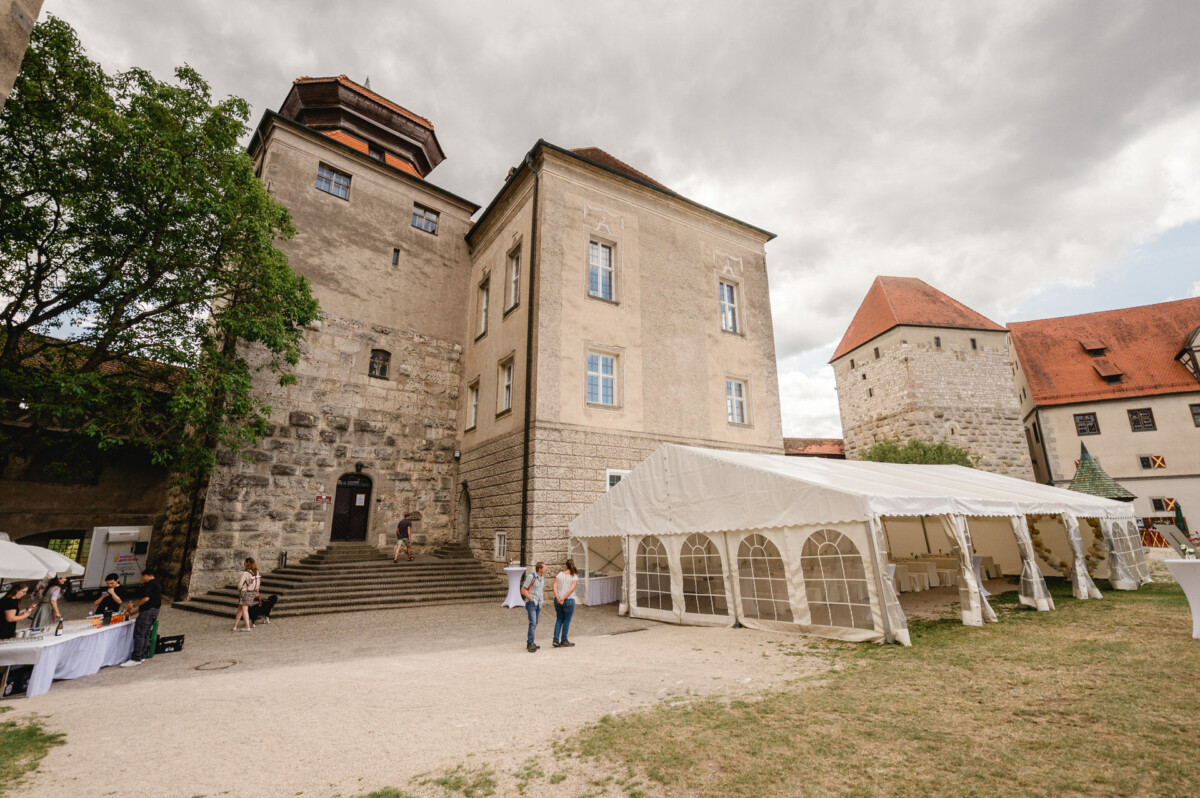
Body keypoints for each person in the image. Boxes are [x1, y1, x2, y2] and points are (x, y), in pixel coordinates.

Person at [120, 566, 162, 667]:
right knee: (145, 633)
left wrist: (133, 605)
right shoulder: (158, 584)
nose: (142, 579)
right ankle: (142, 655)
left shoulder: (150, 584)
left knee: (139, 634)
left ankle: (136, 657)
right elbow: (145, 605)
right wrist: (131, 613)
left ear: (146, 576)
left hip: (147, 612)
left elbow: (145, 600)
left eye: (142, 577)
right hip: (154, 611)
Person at [552, 559, 579, 648]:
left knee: (559, 619)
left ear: (566, 566)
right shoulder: (574, 576)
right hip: (568, 600)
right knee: (567, 620)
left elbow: (555, 586)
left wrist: (558, 597)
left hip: (558, 600)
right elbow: (571, 589)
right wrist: (564, 598)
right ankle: (564, 640)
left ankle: (555, 639)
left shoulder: (560, 575)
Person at [520, 561, 546, 653]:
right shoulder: (531, 577)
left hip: (539, 603)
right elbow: (523, 589)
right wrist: (530, 598)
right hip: (531, 603)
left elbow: (542, 589)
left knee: (535, 622)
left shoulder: (542, 577)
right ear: (540, 569)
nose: (546, 569)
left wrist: (542, 599)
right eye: (544, 567)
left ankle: (530, 642)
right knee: (533, 622)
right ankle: (531, 643)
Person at [233, 558, 261, 632]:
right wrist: (257, 592)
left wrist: (241, 590)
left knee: (244, 609)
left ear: (246, 564)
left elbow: (239, 585)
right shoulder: (256, 572)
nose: (243, 563)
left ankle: (247, 627)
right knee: (240, 608)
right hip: (252, 592)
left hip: (245, 592)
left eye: (244, 562)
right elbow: (258, 583)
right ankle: (235, 626)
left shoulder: (245, 573)